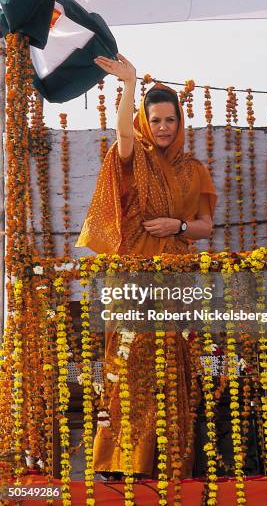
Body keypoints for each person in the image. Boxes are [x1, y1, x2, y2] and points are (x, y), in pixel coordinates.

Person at [76, 53, 217, 478]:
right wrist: (130, 83)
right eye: (154, 120)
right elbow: (122, 131)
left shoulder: (194, 171)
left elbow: (206, 227)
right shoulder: (133, 157)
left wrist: (177, 225)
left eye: (169, 120)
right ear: (145, 120)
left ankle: (168, 461)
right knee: (125, 364)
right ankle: (118, 463)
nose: (162, 128)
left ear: (179, 122)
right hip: (132, 279)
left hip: (175, 281)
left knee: (173, 370)